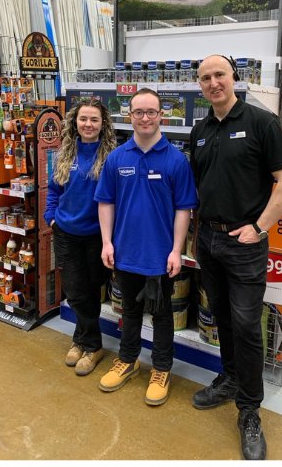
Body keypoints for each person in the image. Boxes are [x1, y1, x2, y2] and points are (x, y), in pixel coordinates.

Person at [188, 54, 282, 461]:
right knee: (221, 317)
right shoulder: (200, 130)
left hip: (245, 244)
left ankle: (250, 411)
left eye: (219, 75)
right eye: (205, 78)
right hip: (209, 242)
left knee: (248, 325)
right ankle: (231, 378)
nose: (213, 82)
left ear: (234, 77)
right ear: (199, 86)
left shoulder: (260, 122)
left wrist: (260, 227)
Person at [94, 88, 197, 406]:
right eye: (138, 112)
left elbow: (184, 209)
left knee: (163, 315)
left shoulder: (176, 160)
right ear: (130, 115)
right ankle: (128, 359)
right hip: (125, 252)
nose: (145, 118)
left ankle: (162, 368)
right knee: (129, 310)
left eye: (151, 112)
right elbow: (106, 202)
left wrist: (176, 250)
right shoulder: (117, 157)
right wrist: (107, 242)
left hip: (160, 256)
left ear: (161, 116)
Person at [44, 97, 117, 376]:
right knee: (74, 291)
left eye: (94, 119)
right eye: (83, 119)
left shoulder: (112, 155)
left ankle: (81, 340)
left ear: (103, 124)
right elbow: (53, 189)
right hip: (66, 232)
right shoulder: (65, 152)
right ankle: (92, 344)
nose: (88, 124)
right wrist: (50, 216)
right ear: (75, 121)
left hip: (97, 235)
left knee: (90, 288)